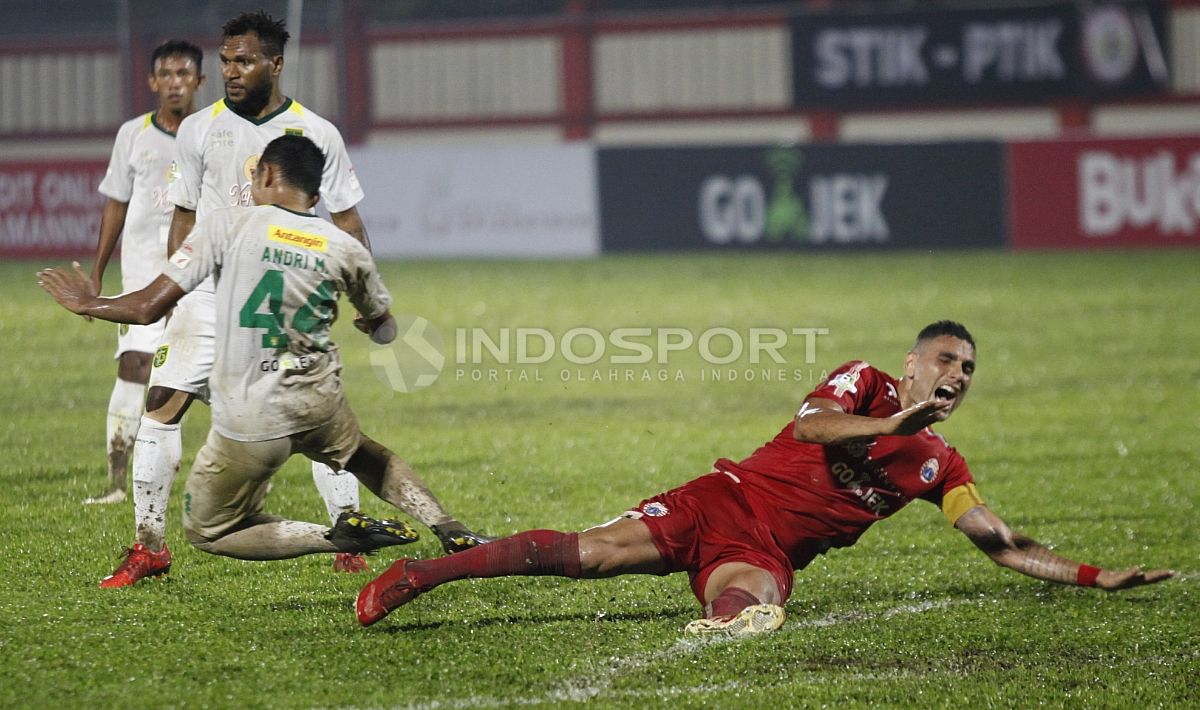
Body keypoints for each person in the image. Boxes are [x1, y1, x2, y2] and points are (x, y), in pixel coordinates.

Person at [355, 321, 1174, 633]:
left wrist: (1096, 576)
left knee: (753, 603)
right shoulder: (866, 386)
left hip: (768, 550)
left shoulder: (941, 465)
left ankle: (726, 620)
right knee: (589, 554)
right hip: (725, 498)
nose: (958, 376)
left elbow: (1001, 544)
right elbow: (813, 427)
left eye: (970, 369)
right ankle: (420, 574)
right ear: (913, 364)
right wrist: (890, 425)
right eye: (947, 362)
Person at [109, 10, 488, 587]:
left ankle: (346, 529)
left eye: (245, 61)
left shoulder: (317, 133)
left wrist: (356, 294)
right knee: (162, 405)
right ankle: (149, 545)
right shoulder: (197, 130)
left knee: (308, 419)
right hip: (208, 300)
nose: (232, 71)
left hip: (284, 297)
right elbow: (183, 220)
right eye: (227, 61)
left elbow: (349, 223)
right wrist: (177, 290)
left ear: (276, 64)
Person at [39, 134, 482, 568]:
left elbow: (147, 308)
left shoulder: (227, 225)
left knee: (209, 530)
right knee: (365, 455)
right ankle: (448, 525)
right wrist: (372, 322)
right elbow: (383, 329)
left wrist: (88, 302)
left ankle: (332, 537)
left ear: (267, 174)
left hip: (253, 416)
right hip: (319, 403)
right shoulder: (345, 248)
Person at [84, 40, 206, 505]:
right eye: (166, 75)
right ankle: (117, 481)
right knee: (135, 367)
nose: (175, 83)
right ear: (153, 82)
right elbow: (115, 203)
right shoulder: (132, 134)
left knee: (212, 374)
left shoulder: (211, 131)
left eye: (184, 74)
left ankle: (247, 470)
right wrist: (96, 273)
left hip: (195, 274)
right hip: (142, 275)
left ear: (199, 81)